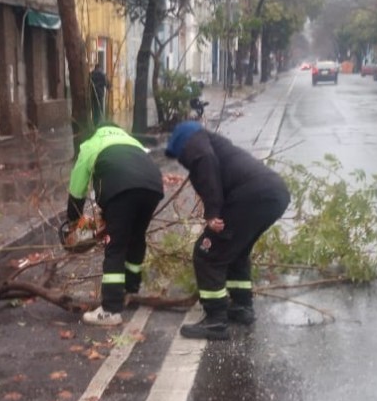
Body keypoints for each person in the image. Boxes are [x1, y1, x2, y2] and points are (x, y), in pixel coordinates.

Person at [164, 121, 290, 340]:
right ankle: (242, 306)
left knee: (208, 253)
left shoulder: (194, 142)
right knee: (235, 251)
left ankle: (215, 319)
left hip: (253, 194)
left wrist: (213, 213)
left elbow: (206, 162)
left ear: (180, 143)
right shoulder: (213, 143)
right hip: (274, 193)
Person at [68, 123, 164, 326]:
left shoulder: (91, 144)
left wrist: (73, 223)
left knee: (116, 245)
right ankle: (130, 290)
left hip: (121, 190)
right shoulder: (132, 141)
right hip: (153, 186)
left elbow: (77, 190)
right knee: (136, 238)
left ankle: (110, 309)